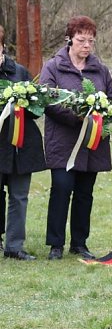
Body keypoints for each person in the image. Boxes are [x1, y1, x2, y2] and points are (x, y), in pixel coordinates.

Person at [41, 15, 112, 261]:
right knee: (62, 189)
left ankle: (79, 243)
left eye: (90, 41)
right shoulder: (53, 66)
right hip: (63, 141)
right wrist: (78, 116)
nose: (86, 45)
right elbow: (48, 100)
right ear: (70, 39)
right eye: (81, 40)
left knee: (85, 193)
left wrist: (103, 112)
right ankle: (55, 244)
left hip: (92, 143)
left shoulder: (101, 70)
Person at [0, 25, 45, 260]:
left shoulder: (19, 72)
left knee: (19, 196)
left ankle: (14, 246)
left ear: (3, 46)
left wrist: (26, 102)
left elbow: (38, 110)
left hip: (20, 146)